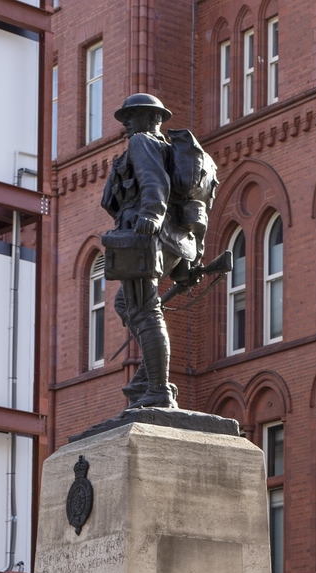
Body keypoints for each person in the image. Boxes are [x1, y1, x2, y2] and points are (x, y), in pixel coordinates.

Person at [101, 94, 217, 409]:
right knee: (127, 303)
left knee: (143, 310)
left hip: (147, 236)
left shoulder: (142, 143)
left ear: (152, 119)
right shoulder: (164, 149)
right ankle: (148, 375)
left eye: (132, 115)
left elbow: (155, 184)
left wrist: (149, 216)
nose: (125, 122)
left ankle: (158, 388)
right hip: (170, 241)